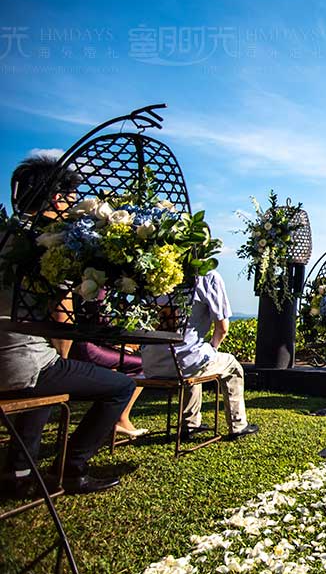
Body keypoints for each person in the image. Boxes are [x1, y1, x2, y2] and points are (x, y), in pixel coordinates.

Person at [1, 155, 134, 495]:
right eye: (71, 197)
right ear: (57, 198)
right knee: (118, 386)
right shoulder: (50, 246)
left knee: (45, 376)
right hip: (17, 365)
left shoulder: (6, 236)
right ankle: (71, 468)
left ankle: (18, 470)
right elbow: (62, 322)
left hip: (9, 362)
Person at [141, 269, 257, 439]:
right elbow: (222, 328)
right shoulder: (207, 276)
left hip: (151, 363)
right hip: (186, 362)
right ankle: (238, 425)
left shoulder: (155, 272)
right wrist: (212, 348)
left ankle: (190, 424)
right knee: (231, 366)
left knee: (197, 360)